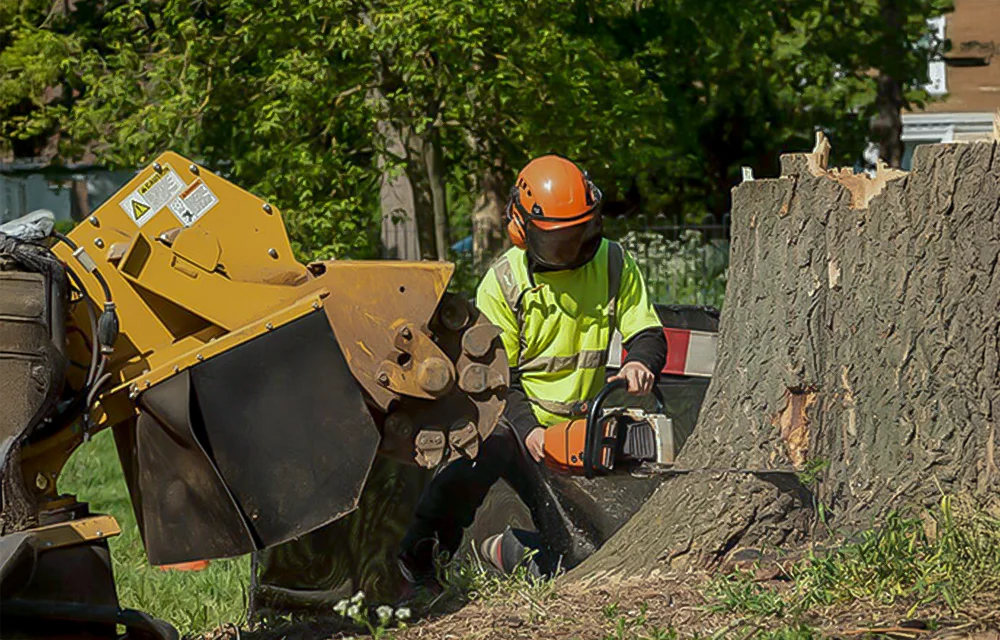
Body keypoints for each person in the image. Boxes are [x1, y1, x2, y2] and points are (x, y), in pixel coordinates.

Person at [398, 154, 666, 587]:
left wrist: (640, 361)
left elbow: (647, 331)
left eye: (584, 232)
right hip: (518, 425)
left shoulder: (614, 263)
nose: (577, 248)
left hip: (583, 428)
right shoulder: (503, 283)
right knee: (481, 447)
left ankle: (511, 550)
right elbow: (496, 382)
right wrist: (530, 430)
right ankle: (422, 550)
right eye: (561, 241)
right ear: (522, 231)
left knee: (583, 556)